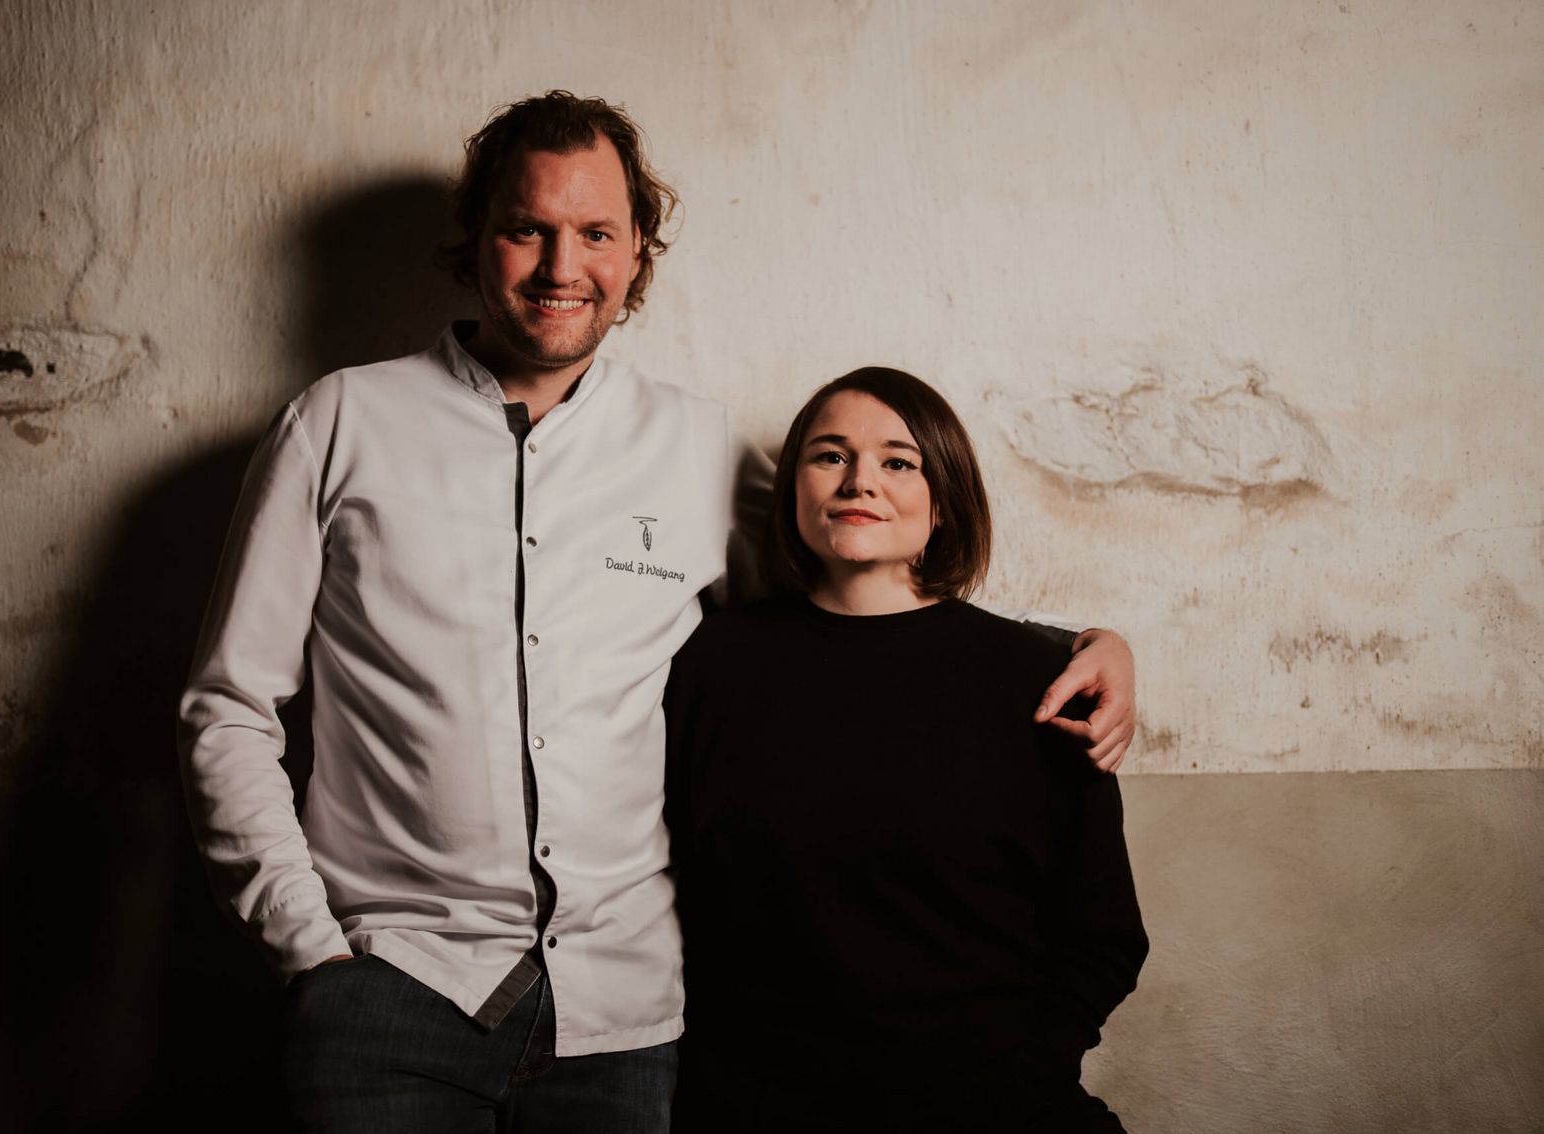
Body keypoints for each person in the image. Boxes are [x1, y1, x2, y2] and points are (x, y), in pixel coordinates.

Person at [177, 92, 1138, 1133]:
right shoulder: (339, 422)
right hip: (392, 994)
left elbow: (861, 583)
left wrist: (1076, 645)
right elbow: (228, 708)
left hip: (624, 1027)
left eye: (596, 233)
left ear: (637, 250)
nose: (562, 266)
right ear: (477, 236)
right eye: (527, 228)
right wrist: (312, 952)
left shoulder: (695, 445)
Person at [665, 367, 1149, 1132]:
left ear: (944, 500)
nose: (860, 481)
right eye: (830, 455)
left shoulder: (1041, 680)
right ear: (790, 490)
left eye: (898, 461)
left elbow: (1105, 931)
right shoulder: (712, 664)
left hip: (996, 1110)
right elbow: (684, 899)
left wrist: (1023, 1074)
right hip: (759, 1108)